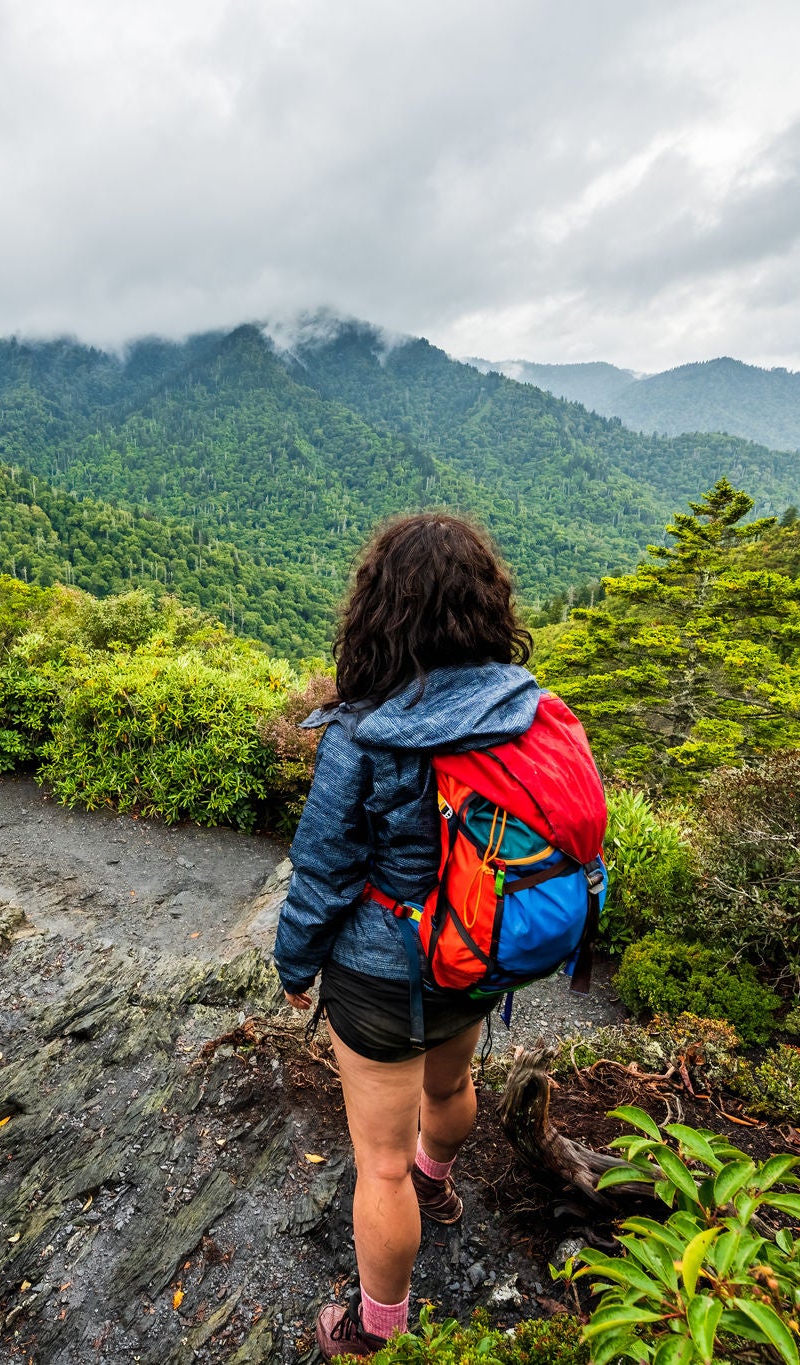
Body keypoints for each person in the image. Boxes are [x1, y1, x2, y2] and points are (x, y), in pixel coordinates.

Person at [273, 511, 543, 1358]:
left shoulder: (362, 730)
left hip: (380, 973)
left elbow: (322, 872)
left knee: (377, 1164)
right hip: (474, 953)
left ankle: (371, 1327)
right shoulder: (517, 710)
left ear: (378, 610)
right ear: (485, 606)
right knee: (447, 1089)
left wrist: (295, 963)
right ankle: (442, 1182)